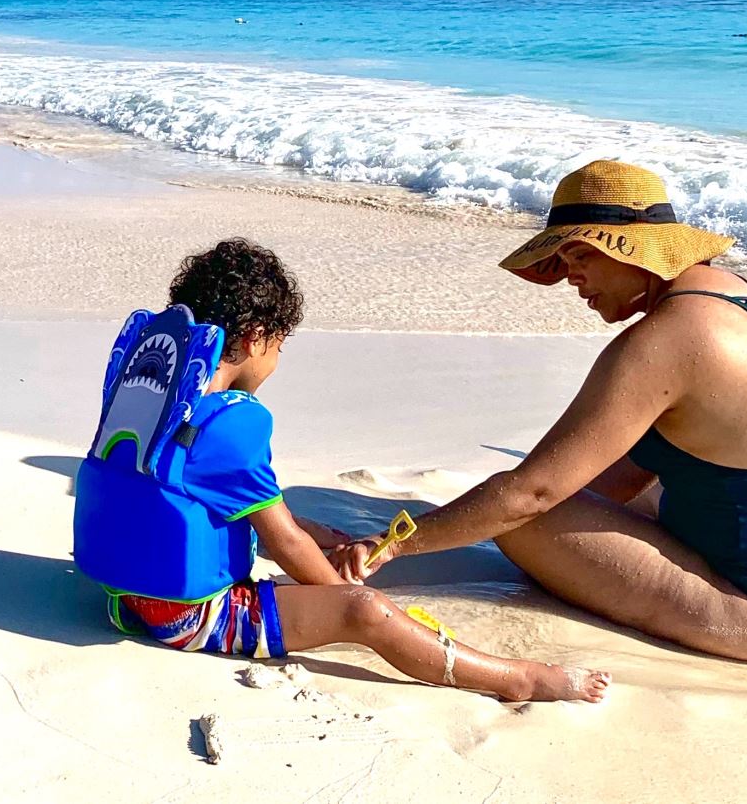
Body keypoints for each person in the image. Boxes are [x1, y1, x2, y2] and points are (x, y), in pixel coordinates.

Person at [331, 161, 747, 665]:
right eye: (560, 260)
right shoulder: (735, 296)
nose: (571, 278)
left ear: (632, 248)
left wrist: (392, 544)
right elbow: (625, 473)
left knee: (524, 515)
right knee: (581, 485)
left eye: (579, 255)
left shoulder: (664, 339)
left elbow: (534, 494)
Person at [73, 238, 609, 702]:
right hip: (191, 619)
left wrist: (323, 536)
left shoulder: (151, 398)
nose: (275, 361)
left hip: (128, 599)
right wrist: (339, 596)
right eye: (279, 347)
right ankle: (518, 679)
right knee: (367, 612)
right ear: (258, 337)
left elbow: (231, 504)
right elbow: (282, 542)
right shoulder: (232, 425)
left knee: (320, 560)